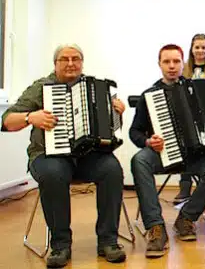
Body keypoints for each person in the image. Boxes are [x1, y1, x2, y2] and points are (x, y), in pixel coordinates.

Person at [1, 44, 127, 267]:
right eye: (64, 59)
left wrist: (116, 111)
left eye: (76, 59)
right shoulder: (41, 87)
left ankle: (108, 240)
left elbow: (111, 129)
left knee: (111, 169)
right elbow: (7, 120)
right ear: (55, 63)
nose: (71, 63)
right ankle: (61, 245)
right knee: (54, 173)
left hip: (87, 157)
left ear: (82, 62)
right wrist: (31, 117)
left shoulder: (95, 86)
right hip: (47, 155)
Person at [130, 44, 205, 258]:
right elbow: (134, 132)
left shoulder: (199, 90)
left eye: (176, 62)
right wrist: (147, 141)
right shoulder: (149, 95)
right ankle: (156, 227)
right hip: (162, 154)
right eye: (166, 62)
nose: (171, 66)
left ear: (183, 64)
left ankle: (186, 218)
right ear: (159, 64)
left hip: (195, 156)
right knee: (139, 161)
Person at [174, 33, 205, 205]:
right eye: (197, 47)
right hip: (187, 116)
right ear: (192, 49)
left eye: (203, 47)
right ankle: (185, 186)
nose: (200, 50)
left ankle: (204, 190)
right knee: (186, 147)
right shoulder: (184, 68)